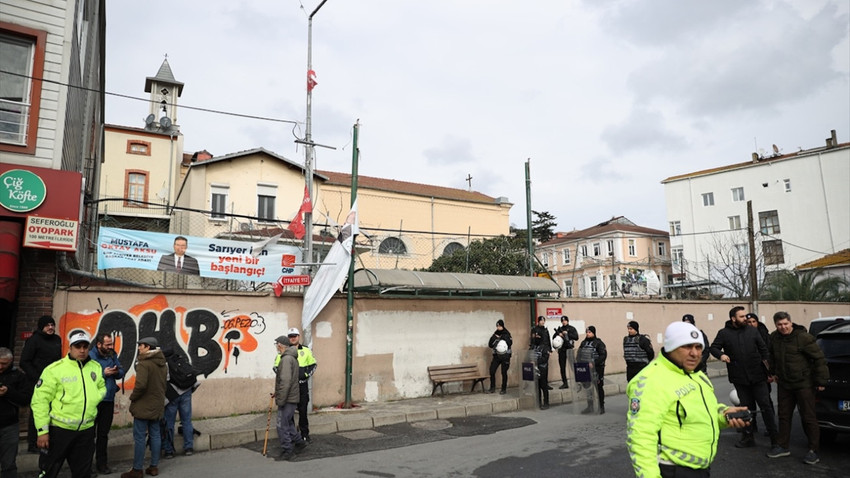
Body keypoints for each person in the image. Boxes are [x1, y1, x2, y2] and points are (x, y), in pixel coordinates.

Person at [627, 321, 750, 477]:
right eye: (686, 346)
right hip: (672, 470)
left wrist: (724, 415)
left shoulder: (696, 374)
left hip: (700, 468)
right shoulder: (650, 381)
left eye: (698, 347)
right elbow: (640, 437)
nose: (695, 353)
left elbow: (703, 410)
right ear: (670, 347)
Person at [31, 331, 105, 478]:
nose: (82, 350)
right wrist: (42, 431)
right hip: (60, 431)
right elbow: (40, 401)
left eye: (85, 346)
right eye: (78, 346)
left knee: (83, 474)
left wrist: (96, 397)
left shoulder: (95, 367)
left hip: (86, 431)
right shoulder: (54, 369)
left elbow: (101, 387)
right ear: (70, 348)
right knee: (49, 472)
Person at [709, 306, 778, 449]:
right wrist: (721, 355)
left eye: (745, 316)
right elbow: (713, 347)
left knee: (765, 406)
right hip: (739, 378)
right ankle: (748, 437)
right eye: (741, 316)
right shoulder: (724, 333)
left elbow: (764, 350)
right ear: (733, 318)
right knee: (746, 409)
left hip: (758, 376)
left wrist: (769, 371)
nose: (745, 319)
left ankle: (775, 440)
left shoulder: (752, 331)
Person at [766, 311, 829, 465]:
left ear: (791, 323)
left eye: (786, 324)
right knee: (784, 416)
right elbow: (772, 356)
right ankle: (783, 446)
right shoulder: (774, 337)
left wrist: (821, 381)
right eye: (779, 324)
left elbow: (819, 359)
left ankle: (813, 450)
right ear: (776, 325)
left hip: (804, 384)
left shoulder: (803, 338)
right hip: (785, 384)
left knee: (808, 417)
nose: (783, 327)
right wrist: (772, 372)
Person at [122, 337, 167, 478]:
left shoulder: (144, 363)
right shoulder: (162, 363)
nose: (139, 348)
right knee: (155, 435)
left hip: (143, 405)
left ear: (148, 347)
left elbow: (141, 385)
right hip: (157, 404)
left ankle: (137, 469)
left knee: (140, 437)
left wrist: (133, 397)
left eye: (141, 346)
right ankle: (153, 467)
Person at [20, 315, 62, 453]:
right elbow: (24, 362)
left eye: (52, 325)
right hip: (36, 382)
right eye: (47, 325)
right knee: (37, 413)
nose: (50, 327)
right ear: (41, 327)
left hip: (54, 383)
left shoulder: (57, 340)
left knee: (52, 411)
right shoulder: (34, 340)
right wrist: (38, 378)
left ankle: (48, 440)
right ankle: (33, 443)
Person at [89, 332, 125, 475]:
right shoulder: (90, 356)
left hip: (108, 399)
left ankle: (102, 464)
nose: (110, 346)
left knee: (103, 434)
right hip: (93, 401)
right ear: (99, 344)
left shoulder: (112, 354)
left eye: (111, 344)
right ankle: (86, 465)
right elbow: (86, 376)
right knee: (89, 435)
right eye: (107, 344)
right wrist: (103, 373)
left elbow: (121, 371)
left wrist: (116, 372)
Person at [273, 336, 308, 461]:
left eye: (277, 344)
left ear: (281, 345)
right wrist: (278, 392)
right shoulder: (291, 358)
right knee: (288, 423)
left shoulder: (286, 359)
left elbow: (286, 381)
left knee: (281, 425)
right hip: (290, 397)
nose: (276, 346)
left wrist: (281, 398)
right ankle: (299, 442)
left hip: (288, 398)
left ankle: (288, 450)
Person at [162, 346, 197, 459]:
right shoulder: (180, 360)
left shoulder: (165, 365)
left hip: (173, 396)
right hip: (186, 392)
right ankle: (188, 447)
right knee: (186, 421)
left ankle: (169, 450)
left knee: (169, 423)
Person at [0, 347, 30, 478]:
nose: (0, 366)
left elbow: (25, 399)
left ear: (11, 361)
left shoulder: (18, 376)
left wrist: (8, 392)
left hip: (9, 425)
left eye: (4, 364)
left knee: (9, 463)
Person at [745, 312, 775, 436]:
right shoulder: (744, 335)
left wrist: (770, 373)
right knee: (748, 402)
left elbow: (768, 356)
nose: (751, 324)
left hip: (762, 373)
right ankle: (752, 426)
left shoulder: (764, 335)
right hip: (748, 374)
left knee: (765, 401)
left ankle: (771, 427)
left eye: (753, 322)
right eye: (749, 322)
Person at [287, 328, 317, 443]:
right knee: (289, 413)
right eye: (290, 336)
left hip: (302, 386)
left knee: (303, 412)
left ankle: (305, 434)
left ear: (299, 337)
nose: (293, 338)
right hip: (290, 387)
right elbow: (276, 367)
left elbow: (313, 365)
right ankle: (293, 435)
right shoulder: (284, 351)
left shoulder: (306, 350)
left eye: (295, 336)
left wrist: (305, 374)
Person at [577, 326, 607, 414]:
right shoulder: (583, 343)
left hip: (597, 369)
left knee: (598, 387)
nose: (587, 334)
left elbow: (603, 356)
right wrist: (578, 363)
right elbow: (579, 354)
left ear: (593, 333)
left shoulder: (599, 343)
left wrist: (593, 363)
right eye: (587, 332)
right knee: (588, 388)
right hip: (585, 369)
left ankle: (601, 406)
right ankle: (590, 406)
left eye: (589, 332)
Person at [530, 317, 551, 409]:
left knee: (543, 385)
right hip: (535, 368)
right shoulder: (534, 347)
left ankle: (546, 403)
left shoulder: (544, 347)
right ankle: (538, 402)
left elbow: (545, 358)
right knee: (537, 386)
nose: (537, 338)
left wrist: (536, 362)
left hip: (542, 368)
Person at [487, 320, 512, 395]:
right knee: (492, 370)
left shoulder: (507, 333)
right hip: (496, 356)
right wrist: (495, 338)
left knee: (504, 372)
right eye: (497, 326)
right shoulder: (495, 334)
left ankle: (503, 389)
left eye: (500, 326)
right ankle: (492, 388)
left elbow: (510, 343)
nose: (498, 328)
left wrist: (502, 338)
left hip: (505, 356)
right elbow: (490, 345)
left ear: (503, 326)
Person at [553, 316, 578, 389]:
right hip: (562, 350)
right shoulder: (559, 329)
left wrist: (567, 334)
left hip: (569, 349)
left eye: (565, 321)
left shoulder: (571, 328)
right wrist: (559, 334)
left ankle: (578, 381)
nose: (564, 322)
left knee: (573, 366)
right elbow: (554, 337)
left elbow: (576, 337)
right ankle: (565, 383)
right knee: (562, 367)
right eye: (562, 321)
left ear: (567, 321)